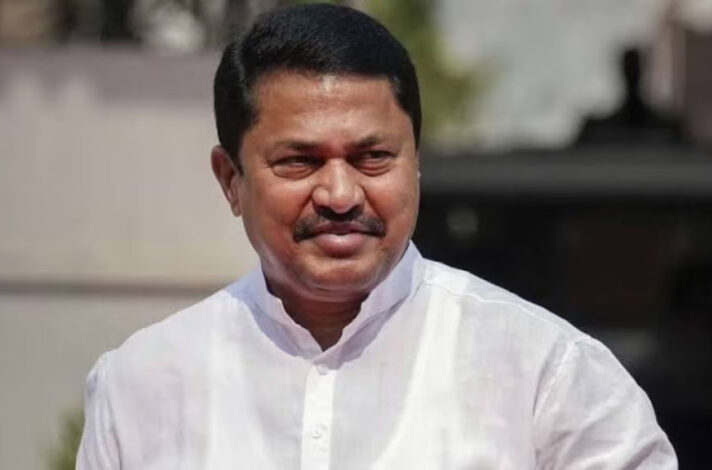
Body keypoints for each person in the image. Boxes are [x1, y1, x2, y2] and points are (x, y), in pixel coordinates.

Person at [77, 4, 677, 469]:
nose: (340, 195)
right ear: (231, 179)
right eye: (299, 161)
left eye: (372, 158)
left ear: (415, 164)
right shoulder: (142, 384)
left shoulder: (548, 376)